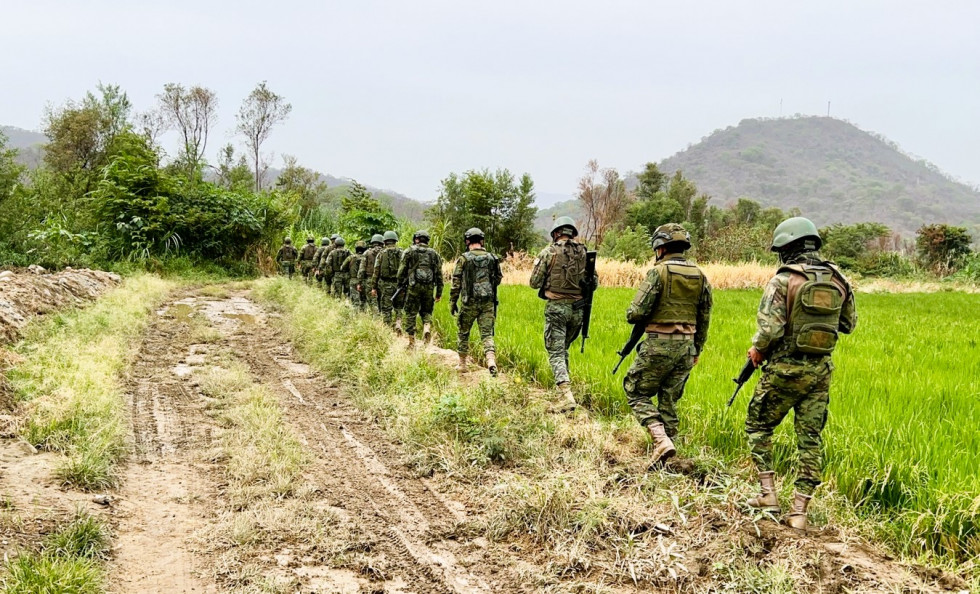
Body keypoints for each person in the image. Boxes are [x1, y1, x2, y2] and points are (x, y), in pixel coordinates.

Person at [744, 216, 857, 530]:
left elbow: (769, 330)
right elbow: (848, 325)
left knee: (757, 426)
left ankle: (768, 494)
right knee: (810, 440)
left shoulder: (783, 280)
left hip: (784, 370)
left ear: (787, 248)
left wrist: (757, 350)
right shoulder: (838, 279)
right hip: (821, 372)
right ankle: (799, 513)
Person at [622, 224, 712, 463]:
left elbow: (635, 313)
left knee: (635, 391)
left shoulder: (658, 272)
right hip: (687, 347)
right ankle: (672, 455)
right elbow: (705, 316)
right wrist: (697, 349)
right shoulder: (700, 275)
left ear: (660, 248)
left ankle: (661, 440)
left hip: (658, 344)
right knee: (669, 397)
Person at [529, 216, 596, 411]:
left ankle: (566, 398)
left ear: (556, 233)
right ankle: (566, 391)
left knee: (556, 352)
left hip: (557, 308)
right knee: (563, 349)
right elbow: (595, 284)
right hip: (578, 309)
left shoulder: (549, 252)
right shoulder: (585, 254)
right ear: (572, 233)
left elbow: (534, 282)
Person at [450, 228, 502, 374]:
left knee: (463, 332)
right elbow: (498, 278)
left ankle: (462, 364)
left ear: (467, 241)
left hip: (469, 302)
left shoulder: (464, 259)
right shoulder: (492, 258)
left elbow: (456, 283)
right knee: (487, 334)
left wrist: (453, 301)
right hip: (488, 302)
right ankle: (491, 360)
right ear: (482, 241)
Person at [397, 230, 443, 347]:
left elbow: (401, 271)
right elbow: (439, 274)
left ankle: (411, 341)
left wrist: (400, 286)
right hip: (428, 287)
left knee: (410, 313)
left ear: (416, 239)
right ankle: (426, 326)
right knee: (427, 311)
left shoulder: (409, 252)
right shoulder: (434, 254)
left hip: (413, 286)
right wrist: (439, 292)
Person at [372, 231, 405, 330]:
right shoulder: (402, 253)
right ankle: (398, 323)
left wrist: (373, 287)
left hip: (386, 285)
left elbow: (376, 271)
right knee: (399, 307)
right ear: (395, 241)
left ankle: (388, 328)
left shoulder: (381, 254)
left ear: (385, 242)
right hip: (399, 285)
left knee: (386, 308)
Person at [358, 234, 385, 314]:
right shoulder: (384, 252)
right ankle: (383, 317)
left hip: (370, 280)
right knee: (381, 300)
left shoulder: (367, 253)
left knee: (372, 301)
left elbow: (362, 269)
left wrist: (359, 282)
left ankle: (376, 318)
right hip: (383, 280)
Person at [343, 241, 368, 308]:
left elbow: (342, 267)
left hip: (353, 280)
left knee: (355, 299)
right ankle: (363, 313)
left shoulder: (350, 257)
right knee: (363, 300)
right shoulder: (366, 257)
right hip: (364, 280)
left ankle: (356, 315)